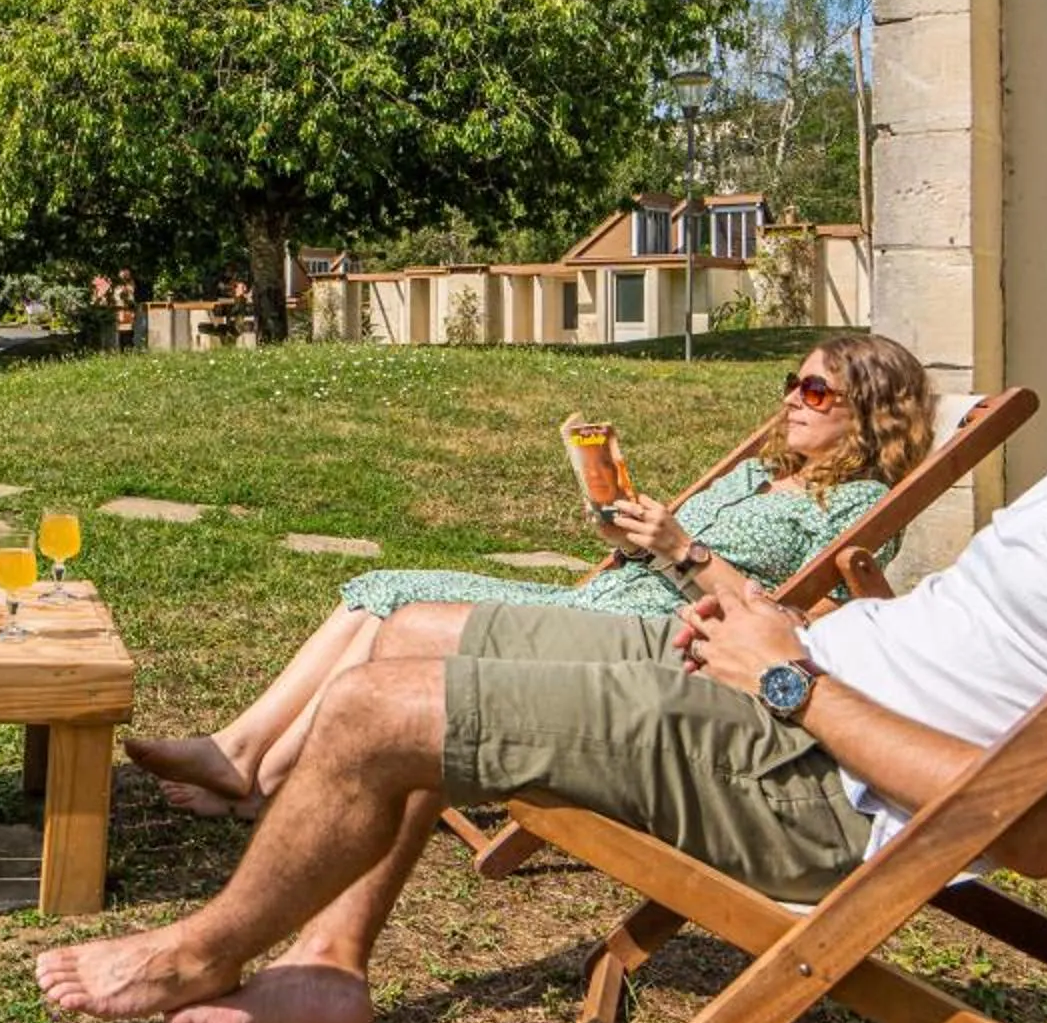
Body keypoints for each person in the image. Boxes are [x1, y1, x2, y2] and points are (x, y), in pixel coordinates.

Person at [38, 194, 1047, 1023]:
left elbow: (1030, 827)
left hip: (809, 775)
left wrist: (793, 682)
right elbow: (975, 651)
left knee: (386, 711)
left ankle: (194, 950)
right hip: (779, 692)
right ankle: (330, 963)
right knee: (403, 636)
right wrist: (757, 615)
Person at [125, 335, 934, 817]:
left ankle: (256, 774)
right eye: (790, 382)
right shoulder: (766, 475)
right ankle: (250, 764)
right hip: (603, 598)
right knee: (380, 590)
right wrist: (630, 527)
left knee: (395, 603)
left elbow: (799, 627)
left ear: (867, 410)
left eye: (816, 388)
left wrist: (684, 551)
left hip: (649, 640)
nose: (794, 397)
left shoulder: (861, 508)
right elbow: (672, 545)